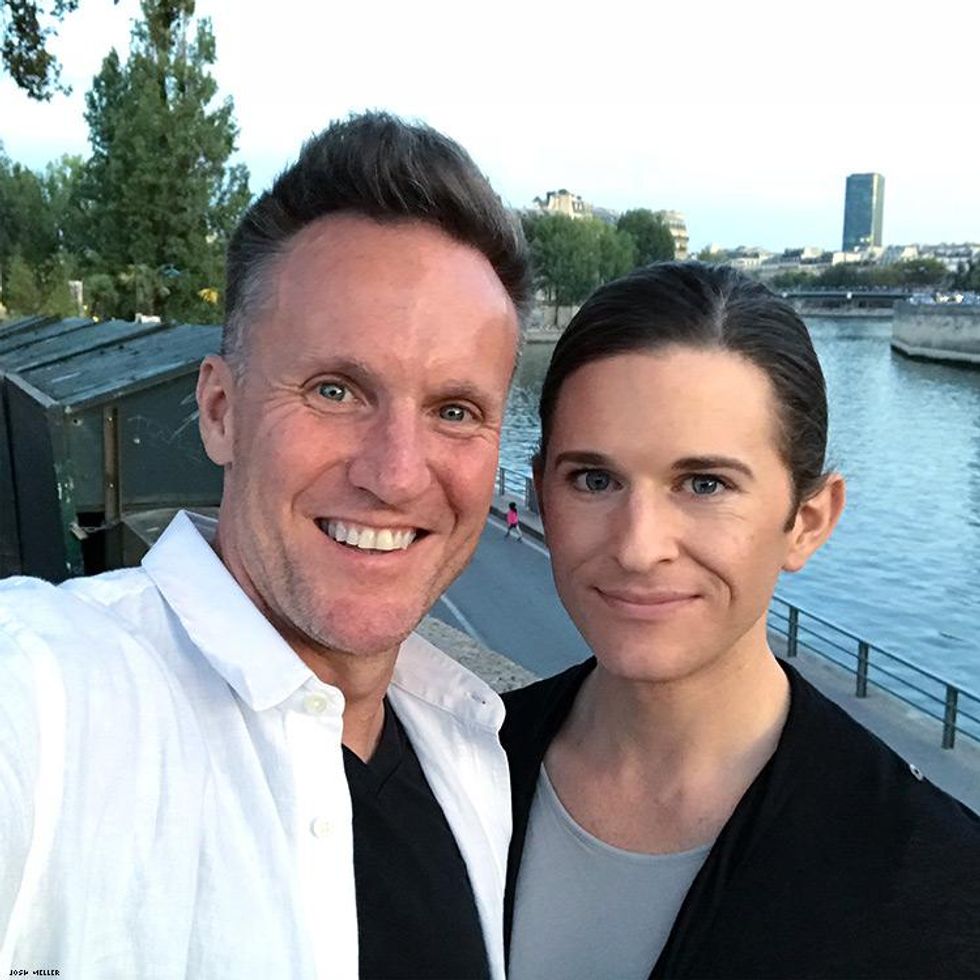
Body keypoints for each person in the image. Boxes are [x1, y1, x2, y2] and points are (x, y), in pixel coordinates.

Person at [0, 112, 531, 979]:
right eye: (335, 389)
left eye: (455, 411)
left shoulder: (472, 758)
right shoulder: (49, 697)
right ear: (220, 411)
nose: (397, 474)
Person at [501, 262, 980, 980]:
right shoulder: (449, 768)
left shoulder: (939, 885)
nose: (638, 546)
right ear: (541, 493)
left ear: (807, 522)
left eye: (704, 485)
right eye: (594, 480)